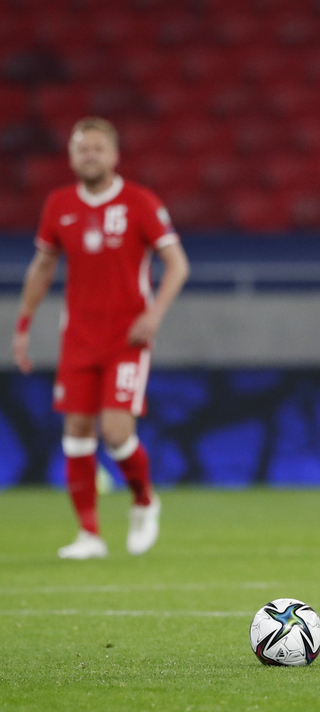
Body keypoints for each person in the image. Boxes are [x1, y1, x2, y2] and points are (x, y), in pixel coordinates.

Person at [13, 117, 190, 559]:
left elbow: (177, 264)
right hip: (78, 336)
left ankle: (145, 500)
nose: (89, 155)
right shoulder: (59, 204)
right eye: (82, 148)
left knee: (114, 430)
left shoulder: (139, 202)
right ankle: (89, 535)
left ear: (114, 155)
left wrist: (154, 314)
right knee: (76, 429)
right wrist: (23, 324)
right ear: (71, 157)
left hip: (127, 337)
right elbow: (42, 267)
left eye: (97, 148)